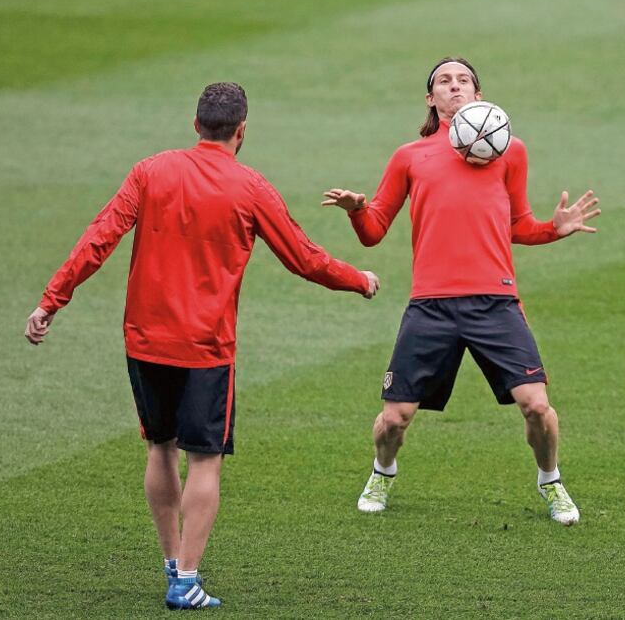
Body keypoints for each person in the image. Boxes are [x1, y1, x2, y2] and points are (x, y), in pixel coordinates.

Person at [25, 82, 380, 610]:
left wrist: (51, 301)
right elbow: (304, 258)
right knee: (205, 459)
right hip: (206, 348)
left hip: (145, 339)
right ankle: (186, 580)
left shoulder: (150, 171)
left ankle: (173, 563)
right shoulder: (251, 187)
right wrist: (360, 280)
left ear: (196, 125)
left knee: (159, 447)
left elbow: (99, 238)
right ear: (242, 130)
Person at [321, 57, 600, 525]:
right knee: (394, 418)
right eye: (444, 82)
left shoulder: (510, 151)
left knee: (537, 406)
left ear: (478, 94)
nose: (455, 86)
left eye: (464, 80)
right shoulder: (410, 156)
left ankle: (550, 480)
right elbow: (373, 232)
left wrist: (555, 228)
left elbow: (518, 226)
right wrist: (356, 210)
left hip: (496, 302)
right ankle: (382, 471)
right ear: (431, 99)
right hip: (431, 306)